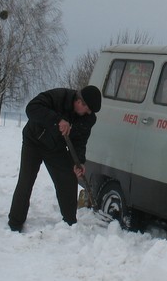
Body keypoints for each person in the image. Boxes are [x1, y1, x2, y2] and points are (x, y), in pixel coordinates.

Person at [7, 86, 102, 232]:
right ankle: (15, 223)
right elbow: (31, 108)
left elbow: (80, 141)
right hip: (34, 140)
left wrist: (79, 162)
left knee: (68, 179)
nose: (87, 114)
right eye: (87, 109)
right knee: (26, 180)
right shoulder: (59, 96)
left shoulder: (88, 118)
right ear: (79, 102)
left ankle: (70, 224)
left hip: (55, 148)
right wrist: (57, 120)